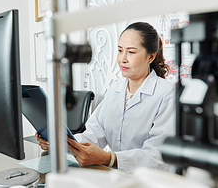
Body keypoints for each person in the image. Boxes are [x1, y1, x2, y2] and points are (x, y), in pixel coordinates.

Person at [36, 22, 175, 174]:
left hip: (151, 180)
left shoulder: (166, 94)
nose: (123, 59)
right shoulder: (115, 89)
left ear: (151, 56)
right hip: (117, 177)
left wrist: (110, 159)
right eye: (120, 51)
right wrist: (61, 144)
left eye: (131, 52)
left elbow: (157, 155)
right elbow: (93, 134)